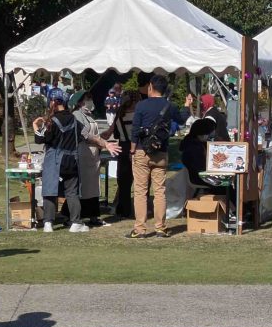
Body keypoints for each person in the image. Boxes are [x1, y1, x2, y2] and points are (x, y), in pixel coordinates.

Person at [128, 75, 191, 238]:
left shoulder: (141, 106)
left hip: (142, 151)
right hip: (161, 152)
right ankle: (160, 227)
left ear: (150, 87)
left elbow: (135, 130)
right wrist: (186, 105)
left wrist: (133, 149)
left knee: (141, 191)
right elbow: (182, 120)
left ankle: (140, 229)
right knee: (160, 191)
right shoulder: (169, 106)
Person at [34, 89, 89, 233]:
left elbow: (40, 139)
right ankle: (76, 222)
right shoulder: (75, 120)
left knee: (50, 191)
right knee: (72, 192)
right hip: (72, 159)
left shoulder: (51, 121)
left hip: (54, 159)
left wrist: (35, 127)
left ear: (53, 101)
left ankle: (48, 223)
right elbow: (84, 135)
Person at [72, 91, 118, 227]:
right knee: (83, 187)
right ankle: (76, 216)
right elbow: (85, 136)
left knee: (93, 187)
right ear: (80, 102)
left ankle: (93, 216)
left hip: (93, 156)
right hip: (83, 154)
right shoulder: (76, 116)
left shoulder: (89, 116)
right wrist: (104, 144)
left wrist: (106, 140)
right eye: (87, 99)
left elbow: (97, 135)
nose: (90, 102)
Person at [103, 89, 140, 219]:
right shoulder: (138, 114)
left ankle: (123, 209)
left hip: (123, 148)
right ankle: (141, 209)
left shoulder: (119, 114)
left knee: (123, 181)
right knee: (141, 181)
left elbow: (109, 132)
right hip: (137, 146)